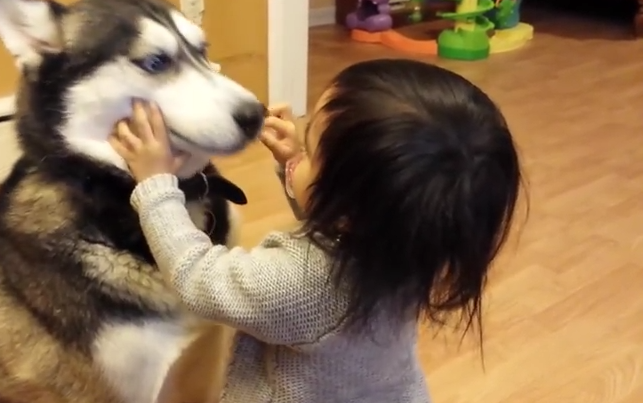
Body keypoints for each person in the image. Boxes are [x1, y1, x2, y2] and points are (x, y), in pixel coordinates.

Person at [109, 58, 523, 403]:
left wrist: (156, 184)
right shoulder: (417, 239)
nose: (301, 155)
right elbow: (335, 219)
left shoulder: (299, 282)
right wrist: (294, 161)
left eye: (313, 153)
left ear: (345, 200)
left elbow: (197, 278)